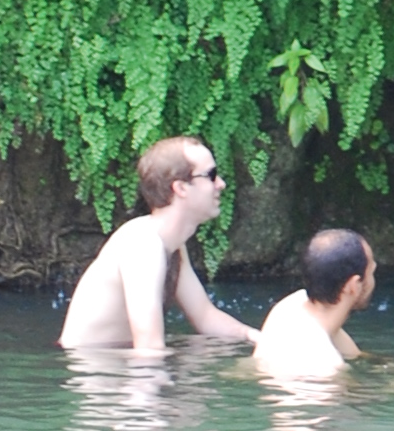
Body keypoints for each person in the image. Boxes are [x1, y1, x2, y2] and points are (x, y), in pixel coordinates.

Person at [58, 136, 250, 357]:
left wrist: (260, 339)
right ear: (181, 188)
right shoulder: (144, 245)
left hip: (118, 359)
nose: (221, 184)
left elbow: (206, 317)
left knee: (203, 351)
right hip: (93, 367)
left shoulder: (172, 245)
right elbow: (148, 347)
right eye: (211, 175)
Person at [250, 228, 376, 381]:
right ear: (353, 286)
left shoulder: (291, 306)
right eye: (372, 272)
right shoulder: (325, 368)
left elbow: (355, 355)